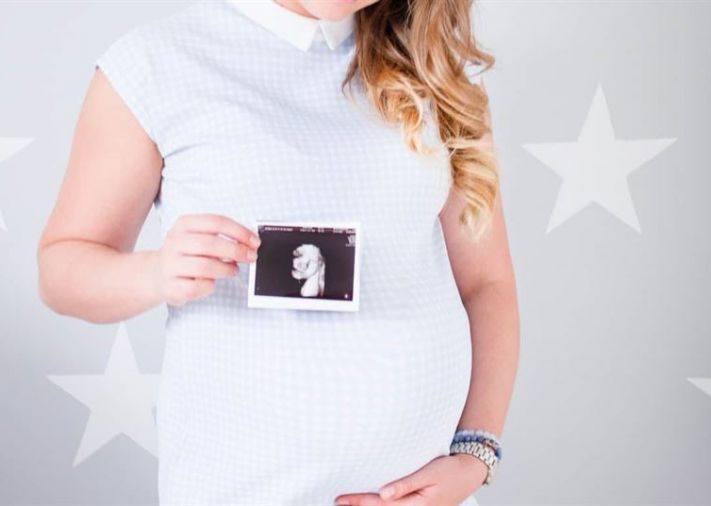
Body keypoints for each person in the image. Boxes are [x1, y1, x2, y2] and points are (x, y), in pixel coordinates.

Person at [37, 0, 520, 504]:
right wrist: (153, 273)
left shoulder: (436, 68)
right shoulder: (157, 65)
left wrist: (475, 454)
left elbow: (487, 284)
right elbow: (62, 267)